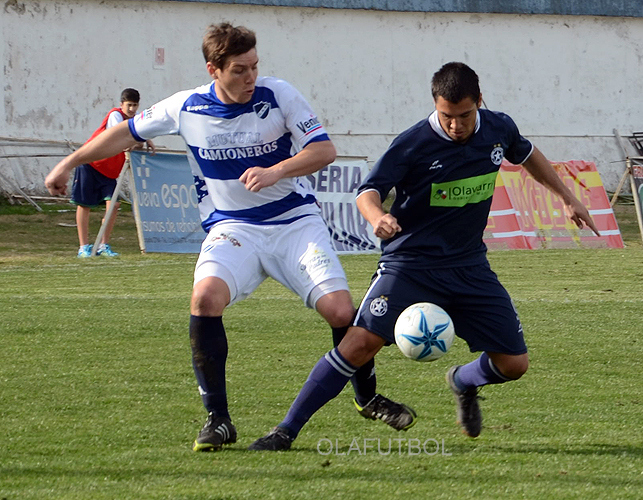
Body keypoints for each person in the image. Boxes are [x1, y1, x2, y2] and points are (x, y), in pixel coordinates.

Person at [45, 23, 414, 452]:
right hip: (233, 228)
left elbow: (323, 150)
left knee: (340, 310)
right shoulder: (186, 106)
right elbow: (124, 133)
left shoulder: (279, 95)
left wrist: (276, 171)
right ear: (213, 69)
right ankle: (218, 420)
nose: (250, 77)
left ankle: (366, 398)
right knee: (204, 300)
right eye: (239, 70)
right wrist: (68, 162)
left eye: (255, 67)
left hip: (294, 222)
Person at [248, 61, 600, 451]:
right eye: (447, 116)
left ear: (479, 102)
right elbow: (368, 191)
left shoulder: (500, 128)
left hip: (469, 265)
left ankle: (464, 381)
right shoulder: (413, 143)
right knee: (358, 344)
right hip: (410, 264)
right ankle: (285, 431)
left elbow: (528, 154)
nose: (455, 125)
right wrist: (377, 215)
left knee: (514, 364)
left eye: (464, 115)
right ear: (436, 106)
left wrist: (568, 197)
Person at [70, 88, 155, 257]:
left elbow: (139, 133)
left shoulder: (136, 120)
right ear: (121, 104)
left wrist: (147, 140)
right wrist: (139, 141)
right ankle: (83, 247)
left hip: (109, 172)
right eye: (129, 105)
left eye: (135, 105)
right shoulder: (115, 116)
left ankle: (103, 245)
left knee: (114, 205)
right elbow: (122, 137)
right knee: (84, 205)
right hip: (91, 163)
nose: (131, 109)